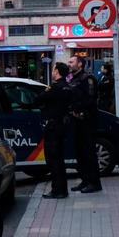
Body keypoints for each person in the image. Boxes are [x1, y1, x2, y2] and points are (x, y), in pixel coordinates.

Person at [35, 63, 73, 199]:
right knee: (59, 160)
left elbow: (38, 99)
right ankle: (62, 189)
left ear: (57, 71)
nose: (52, 71)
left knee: (53, 160)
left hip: (53, 128)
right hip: (62, 127)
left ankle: (57, 190)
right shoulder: (67, 87)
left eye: (53, 69)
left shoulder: (55, 87)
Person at [66, 54, 102, 193]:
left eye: (71, 61)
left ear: (80, 64)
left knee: (88, 152)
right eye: (69, 62)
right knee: (79, 152)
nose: (69, 64)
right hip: (76, 121)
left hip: (86, 121)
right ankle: (85, 180)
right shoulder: (72, 78)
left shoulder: (88, 79)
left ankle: (94, 182)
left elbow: (91, 100)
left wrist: (79, 110)